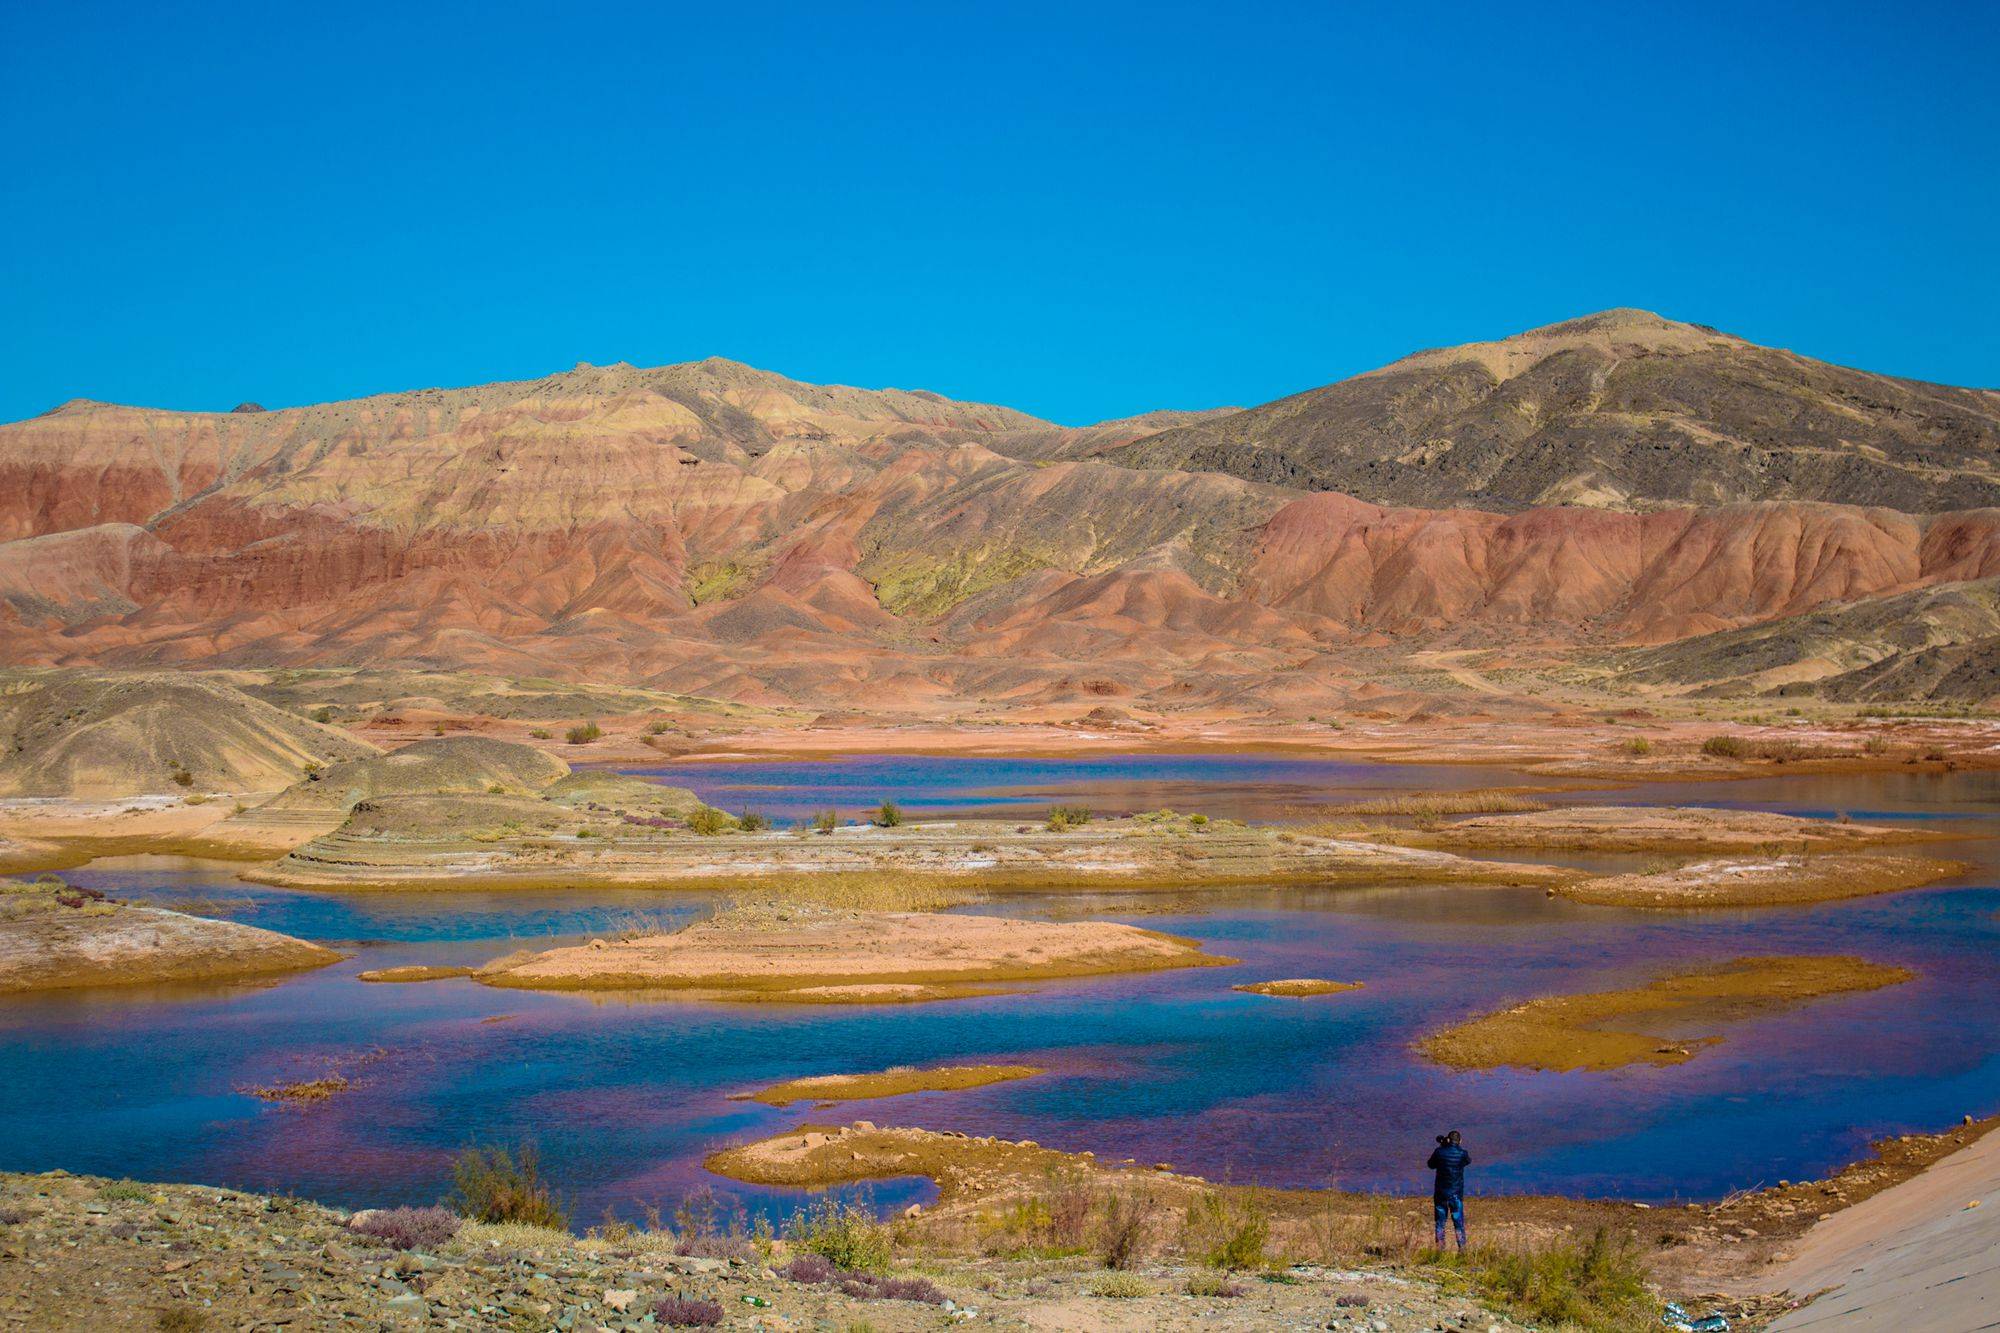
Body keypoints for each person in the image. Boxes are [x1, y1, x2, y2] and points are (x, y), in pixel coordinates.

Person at [1427, 1130, 1470, 1250]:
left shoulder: (1439, 1152)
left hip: (1441, 1193)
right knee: (1458, 1223)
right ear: (1460, 1141)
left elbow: (1431, 1164)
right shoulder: (1462, 1154)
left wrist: (1442, 1146)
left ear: (1448, 1140)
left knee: (1440, 1222)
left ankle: (1440, 1248)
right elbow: (1468, 1161)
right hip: (1456, 1193)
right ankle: (1462, 1248)